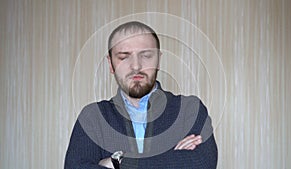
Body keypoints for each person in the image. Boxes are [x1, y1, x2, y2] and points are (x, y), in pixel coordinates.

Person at [64, 21, 218, 169]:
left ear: (158, 61)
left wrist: (118, 162)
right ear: (111, 65)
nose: (136, 66)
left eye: (146, 56)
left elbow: (202, 164)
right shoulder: (93, 116)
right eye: (124, 57)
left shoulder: (189, 109)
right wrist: (172, 160)